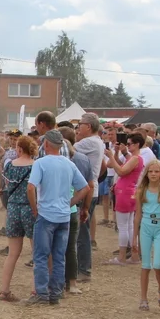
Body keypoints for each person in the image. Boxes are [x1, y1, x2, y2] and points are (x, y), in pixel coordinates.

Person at [25, 130, 89, 305]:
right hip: (64, 216)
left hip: (46, 214)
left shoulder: (41, 163)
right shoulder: (69, 164)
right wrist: (70, 203)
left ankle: (41, 293)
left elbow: (31, 188)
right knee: (59, 256)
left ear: (46, 144)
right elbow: (84, 188)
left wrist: (34, 208)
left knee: (41, 256)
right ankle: (56, 293)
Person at [0, 135, 36, 302]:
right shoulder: (36, 166)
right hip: (29, 207)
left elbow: (7, 186)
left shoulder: (9, 166)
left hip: (13, 207)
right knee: (36, 252)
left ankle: (4, 290)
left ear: (19, 149)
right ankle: (36, 290)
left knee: (12, 253)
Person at [132, 160, 160, 310]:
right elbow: (137, 215)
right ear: (146, 173)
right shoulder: (141, 190)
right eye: (150, 171)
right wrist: (134, 238)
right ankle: (143, 298)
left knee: (158, 263)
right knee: (145, 265)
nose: (153, 174)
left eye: (156, 171)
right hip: (145, 226)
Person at [60, 127, 93, 295]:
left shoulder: (60, 164)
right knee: (72, 247)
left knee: (58, 247)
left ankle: (59, 282)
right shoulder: (84, 159)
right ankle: (72, 282)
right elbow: (89, 185)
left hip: (60, 208)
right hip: (74, 207)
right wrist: (85, 207)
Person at [104, 133, 146, 266]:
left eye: (129, 144)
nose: (127, 146)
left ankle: (122, 256)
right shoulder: (135, 158)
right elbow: (119, 164)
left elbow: (121, 171)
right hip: (129, 191)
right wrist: (117, 153)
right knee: (129, 226)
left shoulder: (135, 158)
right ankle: (134, 255)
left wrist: (111, 156)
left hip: (124, 192)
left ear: (136, 144)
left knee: (123, 226)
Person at [73, 113, 105, 281]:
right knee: (81, 231)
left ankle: (84, 270)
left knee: (81, 233)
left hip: (86, 190)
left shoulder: (89, 142)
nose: (78, 127)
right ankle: (82, 268)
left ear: (89, 127)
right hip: (92, 189)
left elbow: (67, 149)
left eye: (81, 124)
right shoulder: (97, 141)